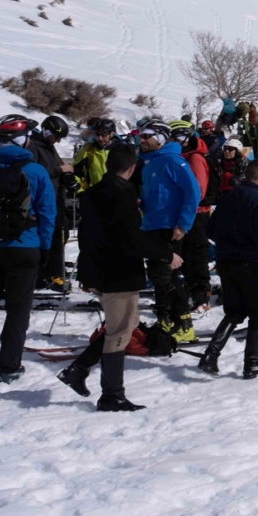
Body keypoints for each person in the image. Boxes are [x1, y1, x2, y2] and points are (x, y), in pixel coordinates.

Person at [57, 144, 176, 409]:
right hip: (118, 273)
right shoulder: (123, 195)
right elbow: (132, 240)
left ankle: (78, 369)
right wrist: (166, 255)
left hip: (99, 269)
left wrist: (86, 273)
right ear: (132, 168)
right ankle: (112, 395)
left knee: (127, 323)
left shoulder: (92, 194)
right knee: (120, 331)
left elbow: (87, 237)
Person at [198, 161, 258, 379]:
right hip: (250, 261)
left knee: (235, 311)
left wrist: (228, 242)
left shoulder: (228, 197)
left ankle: (210, 356)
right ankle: (252, 363)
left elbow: (210, 229)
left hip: (226, 260)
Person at [0, 115, 58, 383]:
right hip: (26, 247)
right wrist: (45, 248)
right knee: (18, 309)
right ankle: (8, 365)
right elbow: (48, 213)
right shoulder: (35, 170)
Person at [138, 120, 202, 342]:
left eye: (147, 136)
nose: (142, 140)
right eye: (141, 136)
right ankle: (165, 319)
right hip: (152, 226)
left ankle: (184, 323)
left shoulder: (174, 161)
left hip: (170, 228)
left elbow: (193, 192)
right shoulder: (149, 162)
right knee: (156, 276)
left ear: (162, 138)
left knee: (168, 276)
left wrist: (183, 224)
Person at [24, 115, 72, 290]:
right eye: (57, 137)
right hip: (43, 199)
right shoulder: (34, 147)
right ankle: (50, 274)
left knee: (61, 234)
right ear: (47, 132)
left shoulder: (49, 146)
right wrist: (60, 169)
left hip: (55, 197)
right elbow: (35, 171)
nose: (58, 142)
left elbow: (57, 166)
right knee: (52, 236)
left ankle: (50, 271)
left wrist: (67, 175)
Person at [173, 121, 214, 311]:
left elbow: (198, 190)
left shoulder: (195, 159)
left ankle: (201, 294)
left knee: (196, 254)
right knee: (186, 255)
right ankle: (190, 290)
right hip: (185, 212)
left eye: (177, 138)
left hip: (196, 214)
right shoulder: (183, 156)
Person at [72, 117, 118, 191]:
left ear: (112, 134)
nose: (100, 138)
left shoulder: (119, 150)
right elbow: (75, 171)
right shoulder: (88, 149)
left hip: (115, 196)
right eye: (97, 134)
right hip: (93, 195)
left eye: (103, 135)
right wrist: (81, 191)